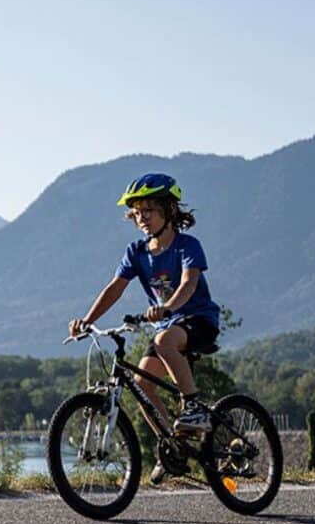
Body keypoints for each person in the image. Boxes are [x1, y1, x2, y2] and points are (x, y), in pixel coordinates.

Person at [69, 172, 222, 482]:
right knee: (141, 384)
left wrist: (168, 307)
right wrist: (88, 321)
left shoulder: (186, 245)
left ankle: (194, 406)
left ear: (169, 211)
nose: (142, 218)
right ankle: (170, 446)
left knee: (165, 339)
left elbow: (189, 282)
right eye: (137, 213)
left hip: (198, 321)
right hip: (168, 325)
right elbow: (115, 288)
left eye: (149, 211)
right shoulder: (136, 253)